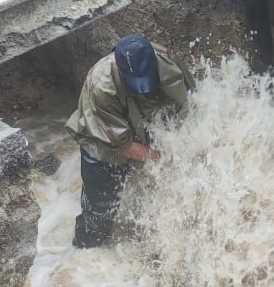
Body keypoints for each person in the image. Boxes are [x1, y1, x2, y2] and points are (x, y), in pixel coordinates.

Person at [64, 34, 192, 248]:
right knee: (99, 212)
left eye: (147, 81)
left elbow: (190, 102)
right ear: (117, 65)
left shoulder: (167, 62)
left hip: (144, 124)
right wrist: (163, 161)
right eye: (137, 84)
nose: (143, 89)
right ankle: (83, 253)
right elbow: (123, 145)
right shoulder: (101, 85)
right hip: (103, 145)